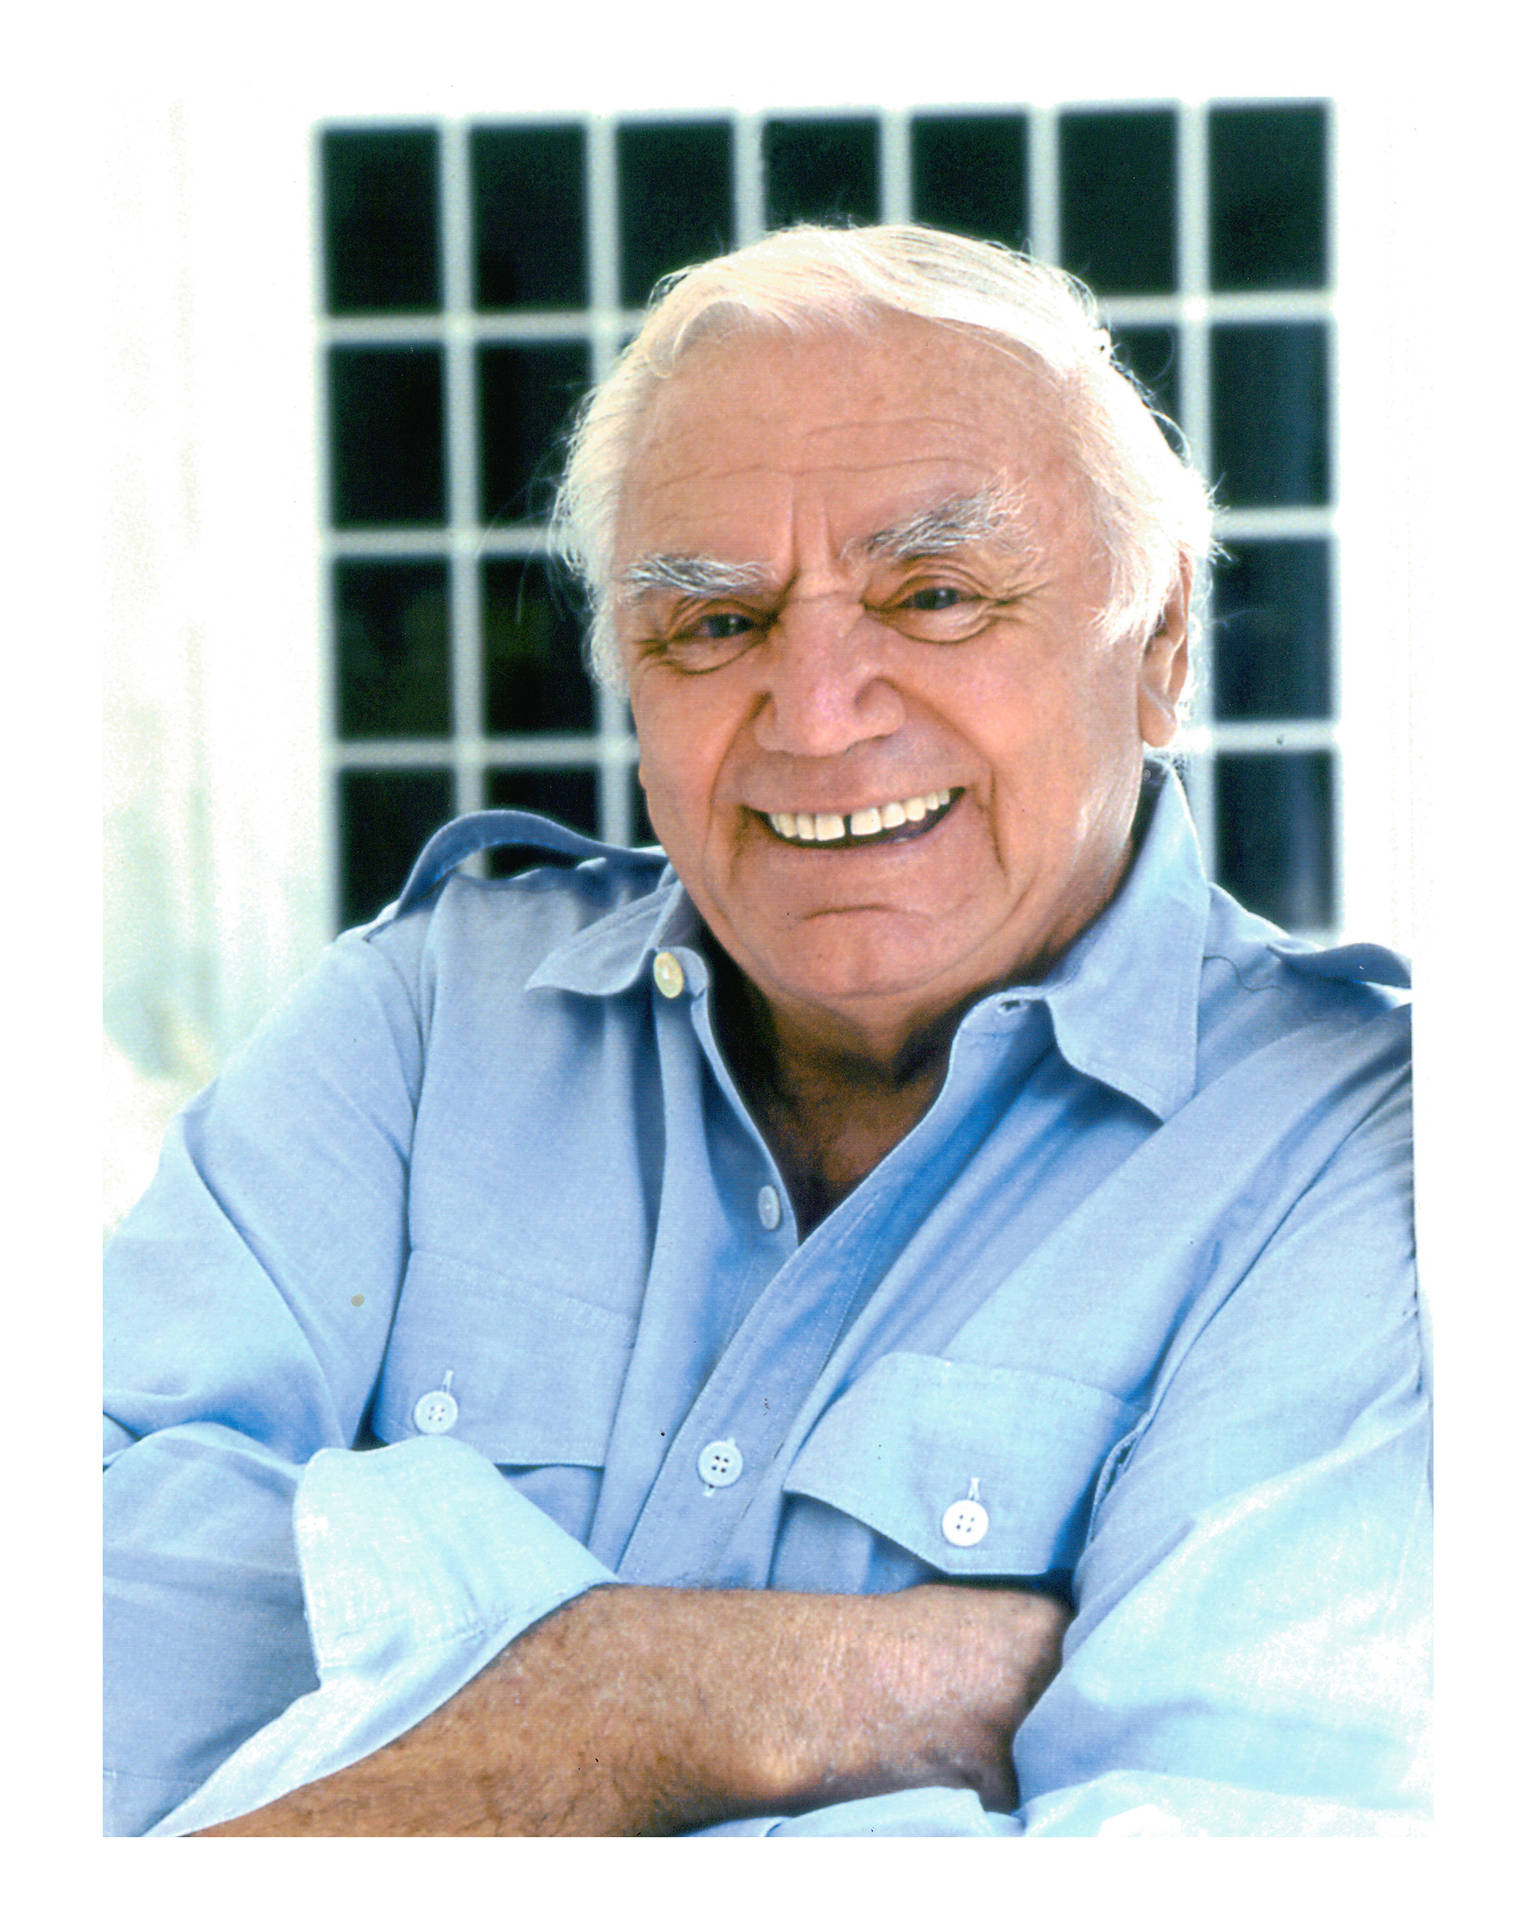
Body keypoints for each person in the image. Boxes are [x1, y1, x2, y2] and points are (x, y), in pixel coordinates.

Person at [103, 224, 1429, 1838]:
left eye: (934, 596)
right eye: (712, 624)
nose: (814, 714)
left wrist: (376, 1750)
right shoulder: (424, 1016)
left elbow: (1213, 1858)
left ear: (1157, 654)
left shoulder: (1368, 1151)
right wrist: (720, 1700)